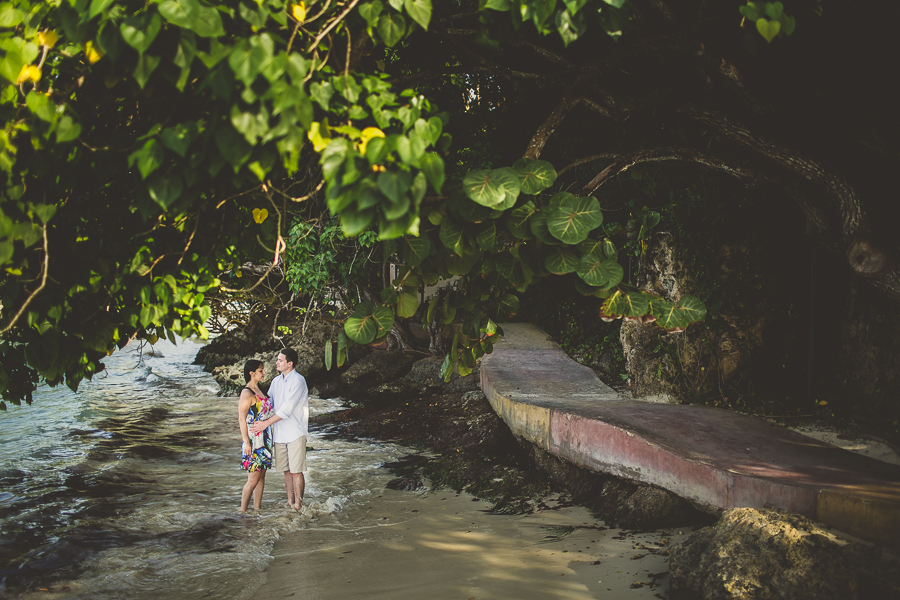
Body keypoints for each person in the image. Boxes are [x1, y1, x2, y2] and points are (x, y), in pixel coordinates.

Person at [250, 348, 309, 511]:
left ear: (289, 364)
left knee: (296, 472)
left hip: (296, 432)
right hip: (279, 433)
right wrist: (250, 391)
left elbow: (286, 410)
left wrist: (265, 424)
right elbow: (269, 403)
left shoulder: (298, 381)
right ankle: (290, 502)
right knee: (286, 471)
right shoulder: (276, 381)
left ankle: (298, 505)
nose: (276, 362)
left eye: (280, 360)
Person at [238, 359, 274, 512]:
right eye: (261, 370)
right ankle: (242, 512)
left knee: (261, 477)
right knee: (252, 480)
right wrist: (246, 442)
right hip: (254, 440)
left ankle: (257, 509)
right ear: (251, 373)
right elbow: (241, 418)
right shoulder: (247, 393)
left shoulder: (260, 389)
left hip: (265, 438)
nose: (264, 372)